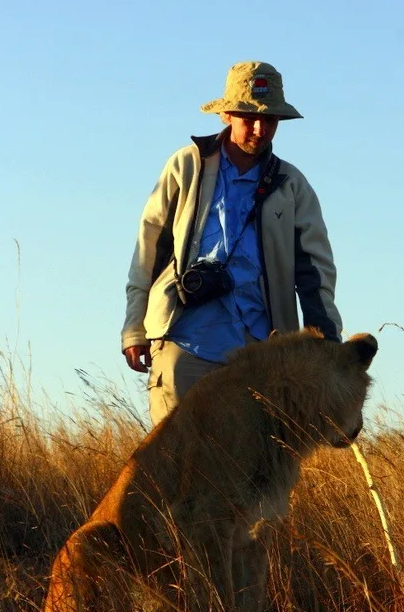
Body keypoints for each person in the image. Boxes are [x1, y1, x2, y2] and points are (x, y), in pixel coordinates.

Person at [121, 61, 343, 426]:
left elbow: (316, 272)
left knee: (249, 473)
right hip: (183, 339)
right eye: (248, 117)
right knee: (178, 466)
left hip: (261, 353)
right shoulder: (186, 165)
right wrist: (134, 327)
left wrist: (327, 344)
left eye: (270, 119)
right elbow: (148, 249)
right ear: (226, 115)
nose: (260, 128)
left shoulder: (291, 184)